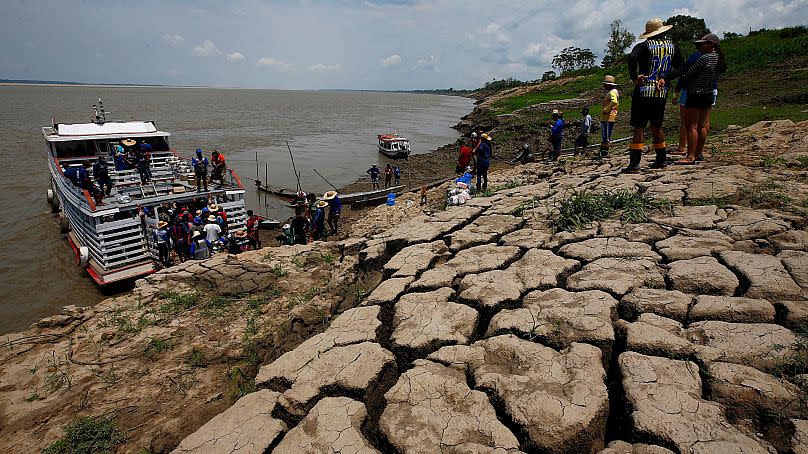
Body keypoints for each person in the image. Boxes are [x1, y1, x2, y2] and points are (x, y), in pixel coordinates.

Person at [625, 18, 683, 173]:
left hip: (644, 91)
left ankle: (635, 164)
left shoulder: (644, 46)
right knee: (656, 125)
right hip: (661, 92)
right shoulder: (672, 47)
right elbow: (680, 67)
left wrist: (634, 77)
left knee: (639, 126)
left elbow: (631, 58)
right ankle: (661, 160)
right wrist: (666, 78)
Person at [676, 33, 726, 165]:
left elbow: (689, 75)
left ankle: (690, 155)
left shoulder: (704, 59)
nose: (701, 47)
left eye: (703, 44)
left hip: (696, 93)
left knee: (691, 126)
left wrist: (681, 84)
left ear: (711, 45)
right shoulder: (718, 59)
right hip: (708, 93)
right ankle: (699, 153)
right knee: (702, 125)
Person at [599, 75, 619, 159]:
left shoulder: (612, 92)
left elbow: (614, 101)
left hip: (608, 116)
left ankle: (605, 152)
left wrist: (606, 109)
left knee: (606, 135)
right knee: (605, 135)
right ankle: (603, 151)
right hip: (607, 116)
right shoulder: (613, 91)